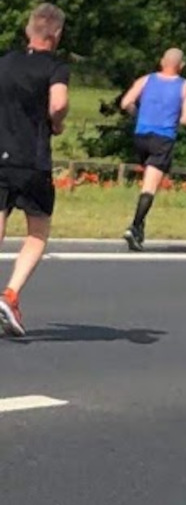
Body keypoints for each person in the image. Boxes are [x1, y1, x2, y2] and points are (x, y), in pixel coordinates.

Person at [0, 3, 69, 337]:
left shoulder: (5, 62)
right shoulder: (55, 67)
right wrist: (56, 123)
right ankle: (10, 295)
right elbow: (58, 103)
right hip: (32, 159)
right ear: (56, 35)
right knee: (37, 232)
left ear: (28, 30)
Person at [119, 47, 186, 251]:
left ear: (162, 61)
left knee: (146, 179)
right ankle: (134, 227)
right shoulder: (185, 87)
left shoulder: (146, 80)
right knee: (149, 187)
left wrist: (140, 115)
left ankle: (140, 228)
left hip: (141, 135)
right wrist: (172, 118)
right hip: (163, 138)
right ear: (181, 66)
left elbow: (126, 102)